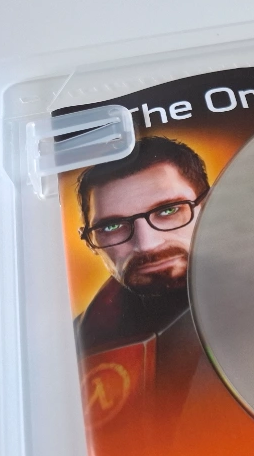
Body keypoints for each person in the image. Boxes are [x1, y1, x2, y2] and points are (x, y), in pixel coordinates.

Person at [75, 136, 209, 354]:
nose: (146, 245)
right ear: (90, 242)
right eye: (112, 226)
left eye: (168, 211)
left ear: (209, 206)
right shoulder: (71, 350)